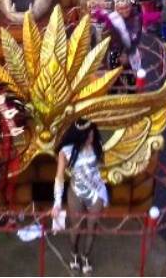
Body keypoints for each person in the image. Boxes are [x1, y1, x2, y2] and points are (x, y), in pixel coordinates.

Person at [53, 118, 108, 276]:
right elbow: (59, 177)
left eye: (92, 134)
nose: (91, 138)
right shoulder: (66, 151)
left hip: (96, 192)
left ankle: (86, 257)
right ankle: (74, 255)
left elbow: (101, 167)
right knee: (75, 227)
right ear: (79, 136)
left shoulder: (97, 146)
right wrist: (57, 203)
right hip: (76, 192)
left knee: (92, 227)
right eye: (88, 136)